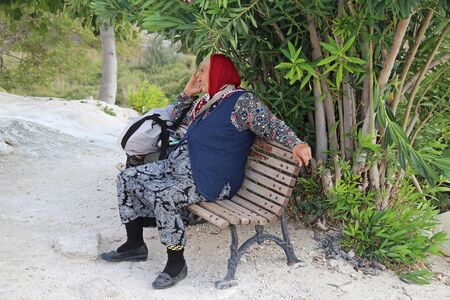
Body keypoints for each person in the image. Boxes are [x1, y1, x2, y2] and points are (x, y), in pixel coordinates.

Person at [100, 54, 312, 289]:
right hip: (180, 167)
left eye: (202, 71)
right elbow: (178, 119)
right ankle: (135, 245)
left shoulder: (242, 102)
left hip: (212, 177)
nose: (197, 76)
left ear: (219, 73)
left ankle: (176, 263)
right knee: (128, 178)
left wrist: (296, 143)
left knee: (165, 195)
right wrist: (186, 94)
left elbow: (271, 124)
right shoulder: (208, 102)